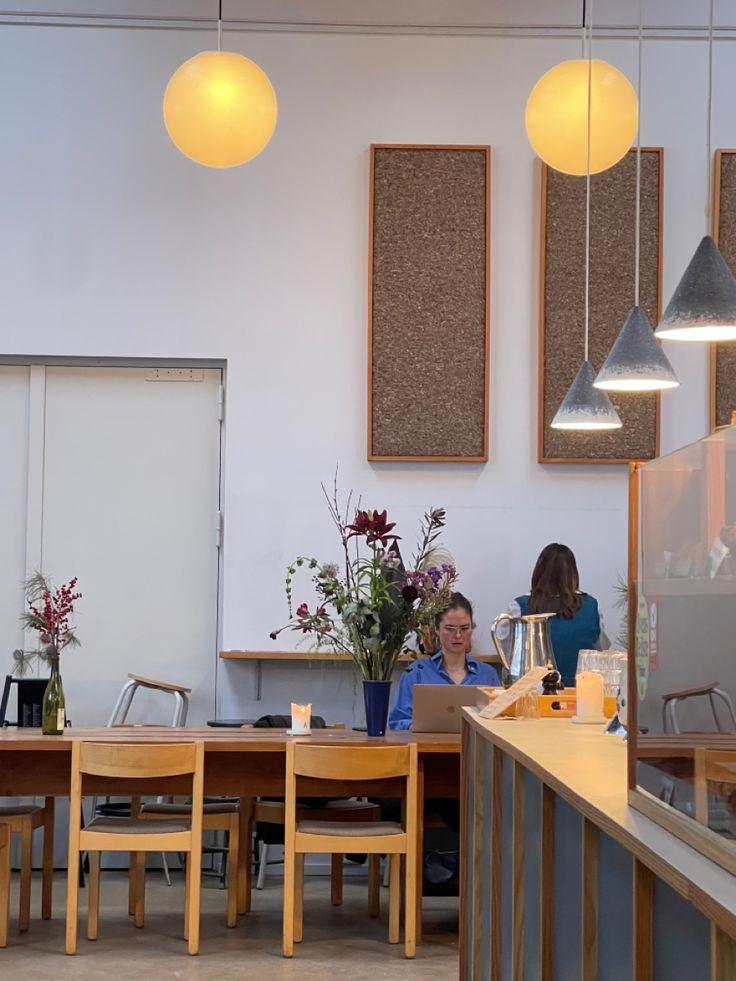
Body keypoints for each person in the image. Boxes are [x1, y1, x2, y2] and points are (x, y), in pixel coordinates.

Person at [388, 592, 501, 731]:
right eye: (450, 628)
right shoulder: (416, 673)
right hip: (428, 750)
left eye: (465, 628)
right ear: (436, 628)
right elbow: (398, 722)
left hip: (475, 751)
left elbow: (500, 725)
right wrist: (416, 727)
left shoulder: (488, 675)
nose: (458, 635)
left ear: (472, 628)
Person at [511, 543, 605, 688]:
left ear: (539, 571)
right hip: (580, 693)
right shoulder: (591, 606)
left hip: (534, 692)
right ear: (573, 573)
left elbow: (510, 653)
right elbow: (600, 650)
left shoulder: (519, 607)